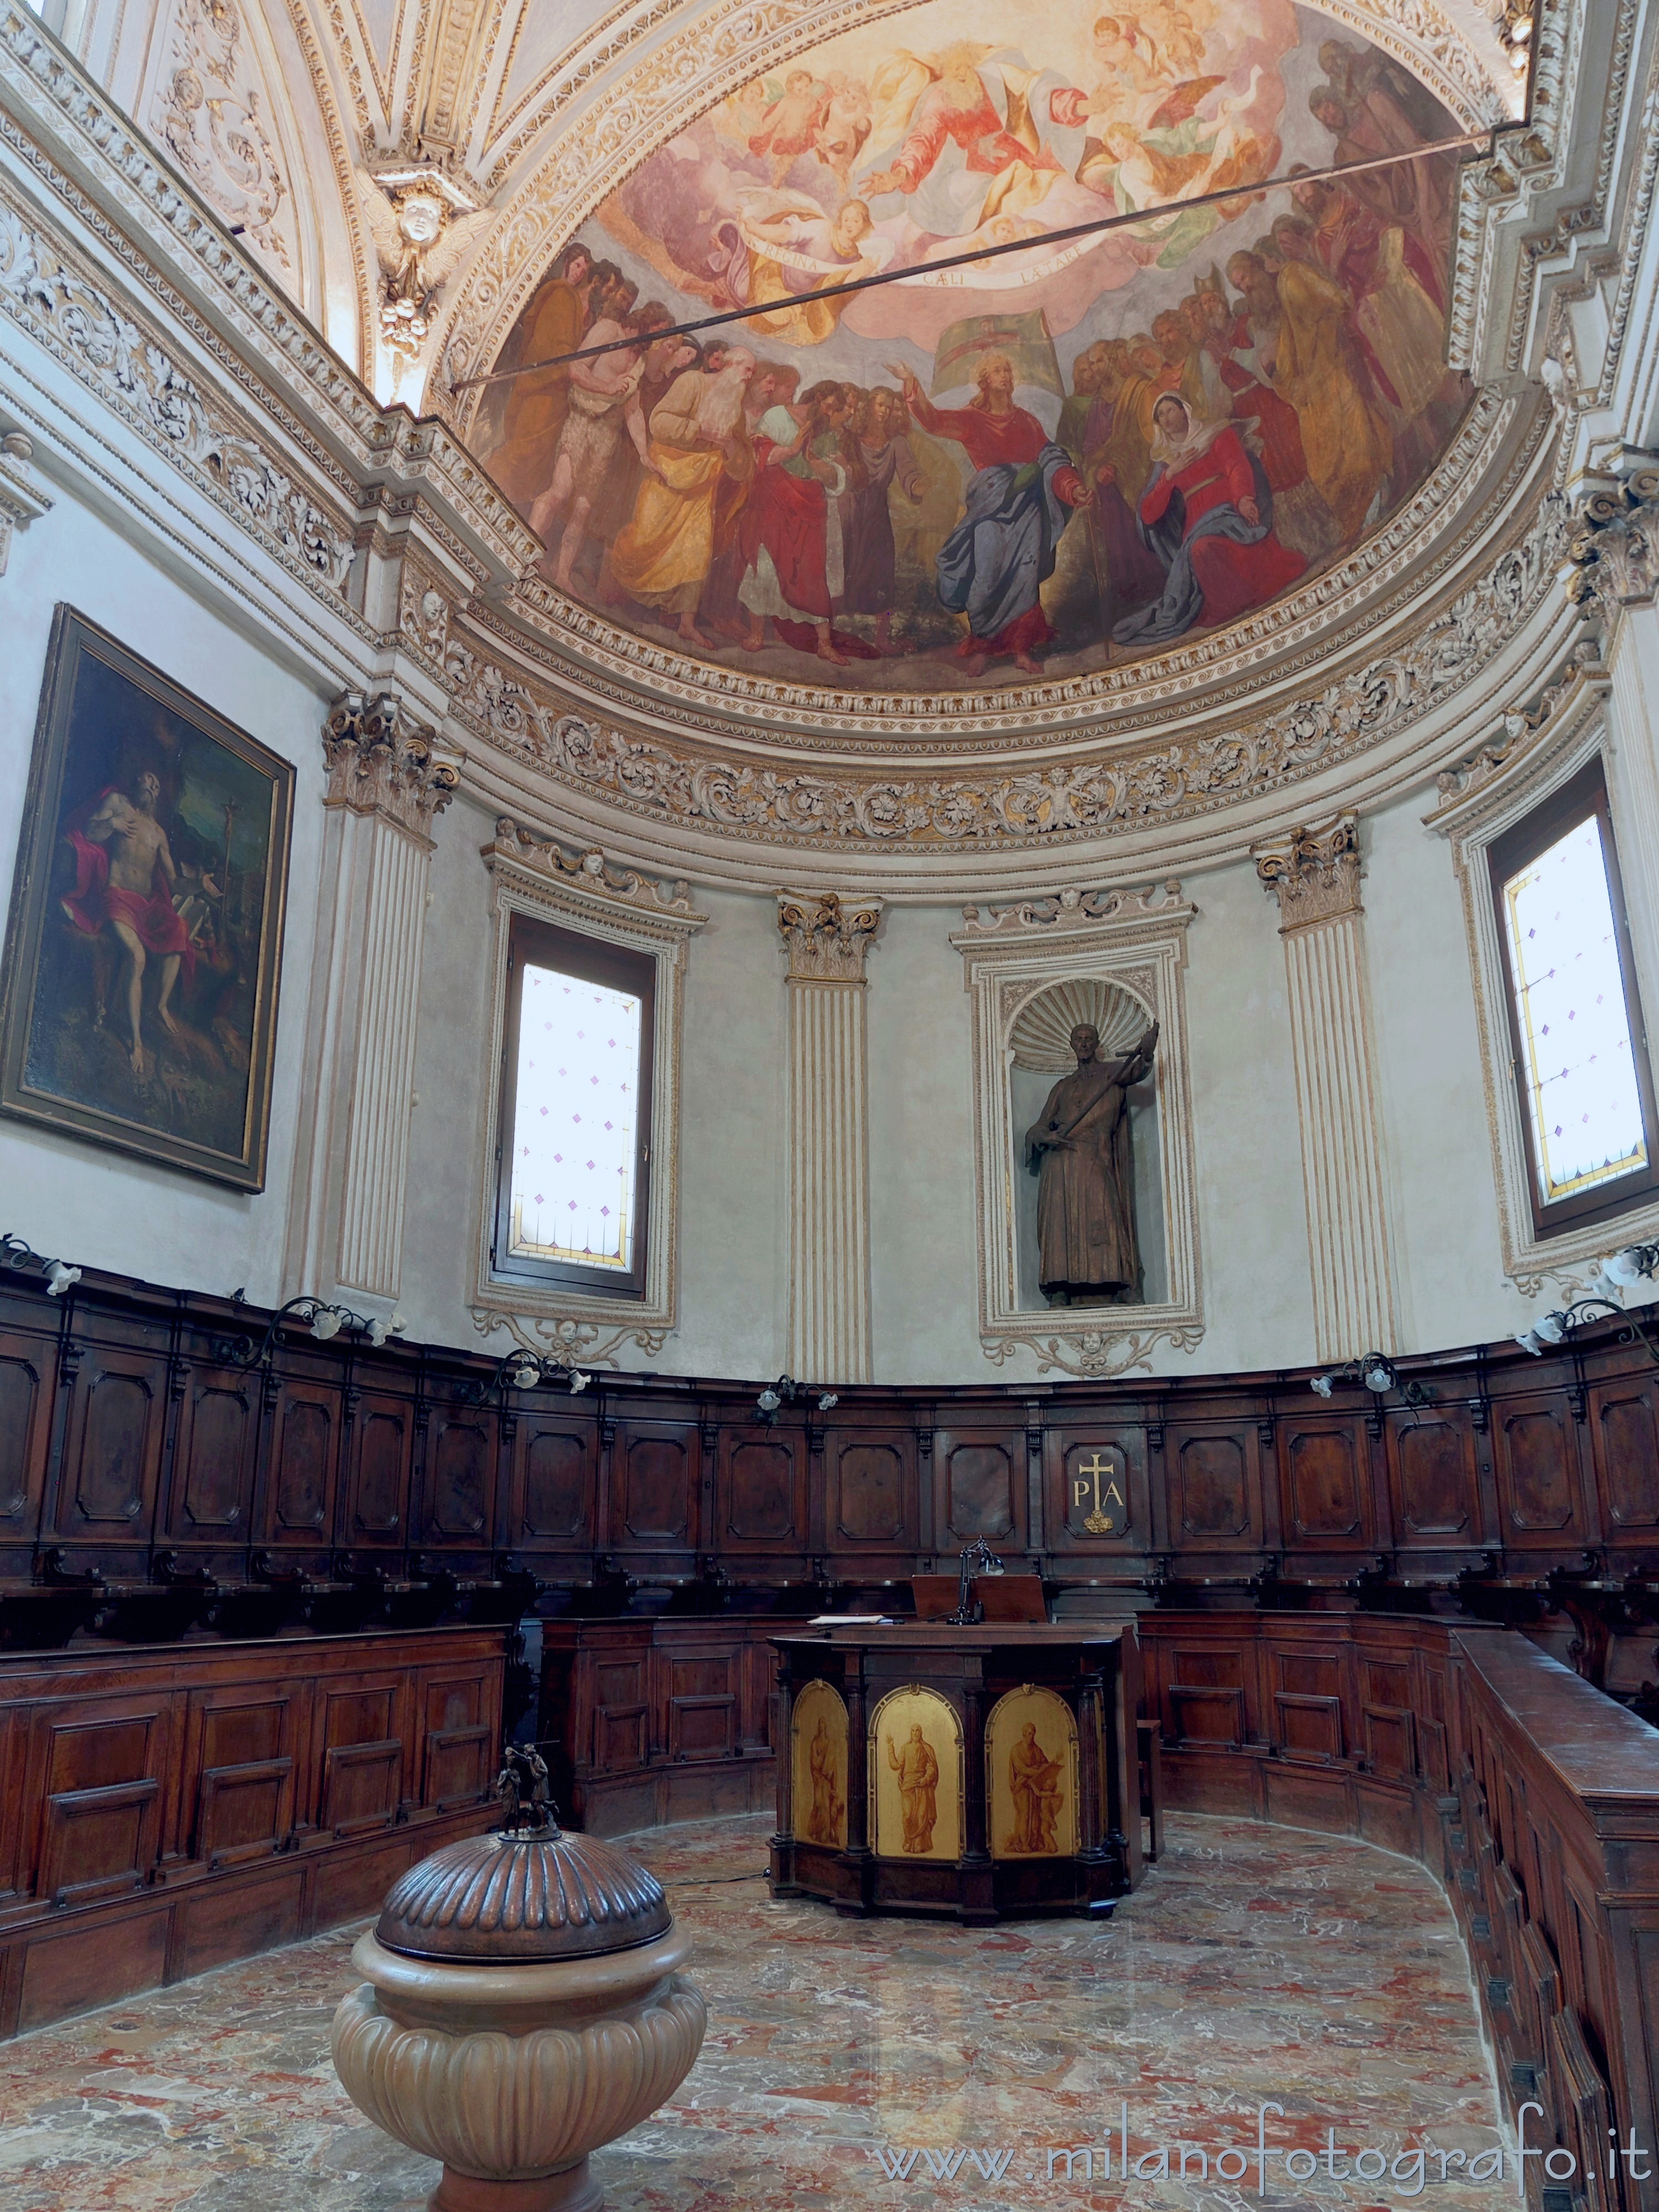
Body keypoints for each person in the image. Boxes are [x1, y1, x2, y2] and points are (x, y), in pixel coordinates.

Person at [893, 353, 1093, 677]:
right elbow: (934, 421)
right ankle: (983, 644)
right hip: (991, 506)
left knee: (1025, 575)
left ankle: (1021, 649)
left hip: (1028, 509)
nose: (1005, 375)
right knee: (985, 572)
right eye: (998, 370)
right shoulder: (973, 419)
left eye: (1008, 370)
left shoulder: (1028, 422)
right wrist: (910, 384)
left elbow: (1051, 461)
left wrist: (1073, 489)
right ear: (985, 381)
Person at [1113, 393, 1306, 646]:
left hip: (1227, 509)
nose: (1167, 418)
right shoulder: (1166, 461)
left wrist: (1244, 499)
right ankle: (1227, 603)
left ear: (1185, 411)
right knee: (1199, 549)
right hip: (1197, 523)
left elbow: (1236, 466)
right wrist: (1171, 475)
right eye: (1161, 415)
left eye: (1171, 410)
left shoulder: (1216, 434)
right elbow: (1149, 514)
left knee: (1206, 548)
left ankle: (1245, 593)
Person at [609, 350, 757, 649]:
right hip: (668, 474)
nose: (748, 377)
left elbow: (743, 466)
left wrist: (728, 444)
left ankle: (686, 624)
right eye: (746, 369)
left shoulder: (735, 410)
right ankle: (618, 592)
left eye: (752, 373)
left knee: (697, 552)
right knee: (646, 540)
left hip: (703, 486)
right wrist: (699, 431)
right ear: (729, 365)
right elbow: (660, 422)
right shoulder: (693, 383)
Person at [61, 769, 195, 1077]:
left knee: (180, 929)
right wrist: (113, 824)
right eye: (149, 780)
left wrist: (199, 883)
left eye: (157, 785)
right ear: (137, 782)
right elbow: (90, 830)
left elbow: (174, 881)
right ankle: (136, 1041)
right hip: (117, 898)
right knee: (138, 957)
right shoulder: (118, 803)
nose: (153, 786)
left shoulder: (157, 833)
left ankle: (161, 1005)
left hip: (146, 907)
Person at [1024, 1020, 1157, 1300]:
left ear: (1097, 1044)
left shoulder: (1111, 1074)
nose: (1083, 1044)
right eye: (1078, 1039)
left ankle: (1117, 1282)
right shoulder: (1063, 1087)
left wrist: (1146, 1053)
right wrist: (1044, 1138)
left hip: (1095, 1158)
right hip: (1060, 1164)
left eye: (1089, 1039)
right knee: (1061, 1225)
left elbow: (1137, 1070)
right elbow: (1039, 1126)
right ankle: (1060, 1286)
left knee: (1104, 1213)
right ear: (1072, 1045)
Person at [485, 244, 596, 515]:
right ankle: (486, 484)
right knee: (525, 444)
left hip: (550, 387)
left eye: (584, 269)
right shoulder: (561, 295)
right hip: (543, 383)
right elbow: (551, 344)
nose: (579, 272)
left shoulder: (571, 299)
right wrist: (565, 365)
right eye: (577, 264)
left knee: (533, 448)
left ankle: (503, 498)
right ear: (567, 262)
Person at [840, 388, 925, 652]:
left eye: (889, 407)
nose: (885, 410)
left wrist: (918, 486)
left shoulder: (897, 443)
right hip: (849, 510)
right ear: (870, 406)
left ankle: (882, 636)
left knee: (883, 576)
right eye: (881, 405)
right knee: (840, 566)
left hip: (877, 513)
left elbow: (910, 474)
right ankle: (829, 632)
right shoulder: (851, 439)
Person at [1006, 1721, 1063, 1853]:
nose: (1032, 1736)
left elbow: (1044, 1765)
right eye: (1030, 1733)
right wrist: (1037, 1770)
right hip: (1022, 1787)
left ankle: (1034, 1842)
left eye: (1033, 1734)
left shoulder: (1037, 1749)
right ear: (1024, 1734)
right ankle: (1024, 1843)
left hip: (1034, 1787)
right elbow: (1022, 1769)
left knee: (1036, 1815)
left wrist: (1052, 1763)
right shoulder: (1016, 1750)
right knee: (1025, 1815)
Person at [886, 1723, 939, 1853]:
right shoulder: (905, 1748)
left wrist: (926, 1778)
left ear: (921, 1733)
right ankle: (909, 1841)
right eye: (913, 1731)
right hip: (908, 1786)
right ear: (911, 1733)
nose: (915, 1733)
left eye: (917, 1731)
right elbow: (896, 1765)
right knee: (908, 1816)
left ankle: (919, 1844)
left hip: (922, 1786)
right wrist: (890, 1747)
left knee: (922, 1816)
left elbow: (932, 1767)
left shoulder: (927, 1749)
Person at [806, 1717, 843, 1844]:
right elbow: (814, 1762)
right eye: (820, 1723)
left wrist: (830, 1771)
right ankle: (816, 1830)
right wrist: (822, 1757)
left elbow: (833, 1765)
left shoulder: (830, 1743)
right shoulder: (815, 1743)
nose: (822, 1726)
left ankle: (825, 1834)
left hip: (827, 1781)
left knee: (826, 1806)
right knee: (818, 1803)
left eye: (824, 1723)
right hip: (818, 1779)